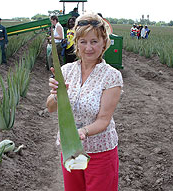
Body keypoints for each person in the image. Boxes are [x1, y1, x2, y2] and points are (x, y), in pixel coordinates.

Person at [46, 13, 123, 191]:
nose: (88, 47)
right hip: (70, 150)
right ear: (76, 43)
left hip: (100, 152)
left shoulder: (111, 76)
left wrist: (83, 132)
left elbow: (104, 120)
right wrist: (57, 95)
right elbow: (50, 107)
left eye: (94, 41)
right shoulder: (66, 71)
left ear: (104, 42)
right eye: (83, 41)